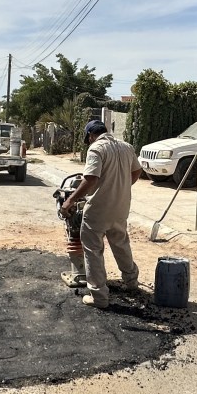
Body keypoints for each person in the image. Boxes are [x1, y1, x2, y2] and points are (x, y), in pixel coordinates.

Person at [60, 119, 142, 308]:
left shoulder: (96, 149)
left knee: (93, 250)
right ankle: (131, 282)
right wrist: (120, 187)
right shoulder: (126, 147)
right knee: (121, 243)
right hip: (121, 206)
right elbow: (137, 171)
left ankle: (99, 296)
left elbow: (90, 179)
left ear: (90, 135)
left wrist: (70, 201)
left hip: (99, 209)